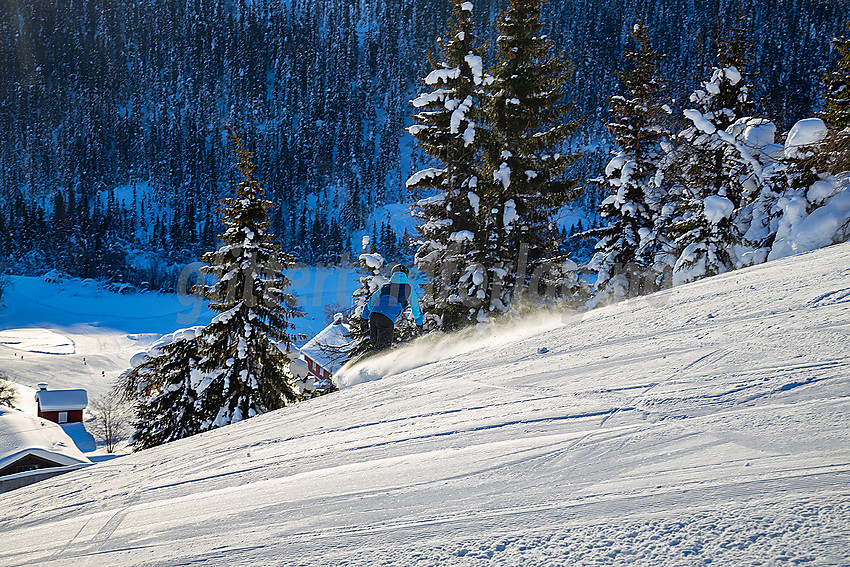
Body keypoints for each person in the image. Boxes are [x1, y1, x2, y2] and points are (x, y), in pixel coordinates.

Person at [360, 264, 423, 351]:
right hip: (387, 319)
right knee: (382, 350)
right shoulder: (408, 288)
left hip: (374, 316)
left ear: (393, 274)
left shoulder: (384, 287)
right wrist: (419, 324)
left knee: (374, 346)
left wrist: (364, 319)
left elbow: (370, 303)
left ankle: (364, 361)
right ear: (406, 275)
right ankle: (374, 363)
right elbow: (416, 308)